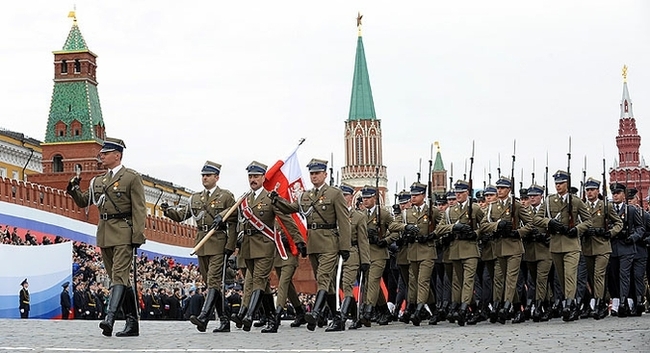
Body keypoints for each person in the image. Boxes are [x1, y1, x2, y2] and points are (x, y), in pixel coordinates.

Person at [67, 137, 146, 336]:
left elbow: (139, 209)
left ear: (117, 155)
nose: (101, 155)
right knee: (119, 279)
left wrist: (138, 235)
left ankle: (109, 318)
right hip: (104, 232)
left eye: (105, 153)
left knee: (118, 276)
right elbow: (85, 202)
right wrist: (74, 188)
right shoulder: (98, 180)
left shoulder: (131, 177)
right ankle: (132, 323)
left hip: (124, 232)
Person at [271, 158, 351, 331]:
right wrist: (277, 200)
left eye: (317, 173)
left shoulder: (334, 194)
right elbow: (290, 208)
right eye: (312, 174)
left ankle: (315, 313)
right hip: (313, 243)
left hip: (330, 242)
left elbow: (344, 222)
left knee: (323, 277)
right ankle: (337, 318)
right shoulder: (306, 195)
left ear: (325, 174)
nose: (314, 176)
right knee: (326, 283)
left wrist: (345, 246)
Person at [226, 161, 304, 332]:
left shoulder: (270, 197)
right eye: (250, 177)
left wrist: (298, 240)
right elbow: (239, 221)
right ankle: (268, 317)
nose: (252, 179)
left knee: (259, 281)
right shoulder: (244, 199)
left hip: (265, 246)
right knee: (256, 283)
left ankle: (248, 315)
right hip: (248, 247)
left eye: (256, 176)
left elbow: (287, 220)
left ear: (263, 177)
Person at [162, 160, 237, 333]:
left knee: (213, 281)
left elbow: (233, 219)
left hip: (218, 242)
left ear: (217, 177)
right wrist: (167, 211)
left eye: (208, 175)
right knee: (211, 283)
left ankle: (204, 317)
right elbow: (182, 215)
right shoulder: (195, 198)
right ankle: (224, 321)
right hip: (201, 243)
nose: (205, 178)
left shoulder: (225, 196)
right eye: (203, 175)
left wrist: (230, 245)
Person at [533, 170, 591, 322]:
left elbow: (588, 221)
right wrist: (549, 222)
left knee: (570, 275)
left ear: (568, 183)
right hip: (556, 244)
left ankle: (569, 305)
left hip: (572, 244)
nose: (558, 186)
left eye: (561, 183)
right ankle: (577, 300)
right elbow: (537, 219)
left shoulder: (576, 201)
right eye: (556, 184)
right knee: (561, 278)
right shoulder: (548, 201)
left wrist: (577, 229)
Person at [480, 176, 533, 324]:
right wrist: (497, 225)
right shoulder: (492, 207)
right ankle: (517, 309)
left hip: (514, 246)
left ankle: (506, 306)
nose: (499, 190)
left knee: (511, 279)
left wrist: (518, 232)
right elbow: (484, 225)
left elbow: (530, 224)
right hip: (499, 247)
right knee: (502, 280)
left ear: (509, 190)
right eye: (498, 188)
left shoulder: (516, 205)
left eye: (502, 188)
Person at [437, 180, 484, 326]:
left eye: (460, 192)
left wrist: (475, 233)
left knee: (468, 280)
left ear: (467, 193)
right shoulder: (449, 211)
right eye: (456, 192)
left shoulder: (474, 208)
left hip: (470, 249)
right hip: (455, 250)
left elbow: (485, 225)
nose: (457, 195)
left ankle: (463, 308)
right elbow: (439, 229)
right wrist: (454, 227)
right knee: (457, 282)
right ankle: (473, 308)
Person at [582, 178, 622, 319]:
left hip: (603, 246)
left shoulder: (605, 205)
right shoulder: (582, 206)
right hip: (587, 246)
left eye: (592, 190)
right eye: (587, 190)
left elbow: (618, 223)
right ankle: (603, 302)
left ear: (598, 191)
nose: (589, 192)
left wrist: (609, 233)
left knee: (599, 275)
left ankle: (598, 304)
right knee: (592, 278)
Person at [335, 183, 370, 331]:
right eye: (340, 195)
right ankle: (355, 317)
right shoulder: (333, 215)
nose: (342, 198)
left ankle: (342, 318)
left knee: (347, 283)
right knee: (342, 286)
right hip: (337, 255)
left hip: (352, 253)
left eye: (345, 195)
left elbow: (363, 240)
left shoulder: (358, 217)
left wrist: (365, 260)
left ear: (350, 197)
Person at [608, 183, 644, 317]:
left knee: (624, 275)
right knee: (614, 275)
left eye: (618, 193)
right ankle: (617, 301)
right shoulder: (609, 209)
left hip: (627, 248)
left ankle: (624, 302)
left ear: (624, 195)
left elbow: (640, 228)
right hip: (612, 247)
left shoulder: (631, 210)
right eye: (613, 193)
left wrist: (633, 237)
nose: (615, 195)